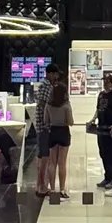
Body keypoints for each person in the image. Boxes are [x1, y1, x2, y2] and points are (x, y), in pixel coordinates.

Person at [34, 64, 73, 199]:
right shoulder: (46, 88)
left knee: (48, 160)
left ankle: (48, 187)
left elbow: (46, 113)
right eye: (55, 74)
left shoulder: (49, 100)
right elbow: (70, 121)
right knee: (48, 159)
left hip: (49, 129)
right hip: (48, 129)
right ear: (50, 73)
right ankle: (44, 187)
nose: (56, 77)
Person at [93, 72, 112, 189]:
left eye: (107, 81)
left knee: (111, 154)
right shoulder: (101, 95)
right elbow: (98, 109)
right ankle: (107, 176)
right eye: (104, 81)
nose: (105, 83)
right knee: (103, 153)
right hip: (101, 127)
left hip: (111, 127)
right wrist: (93, 119)